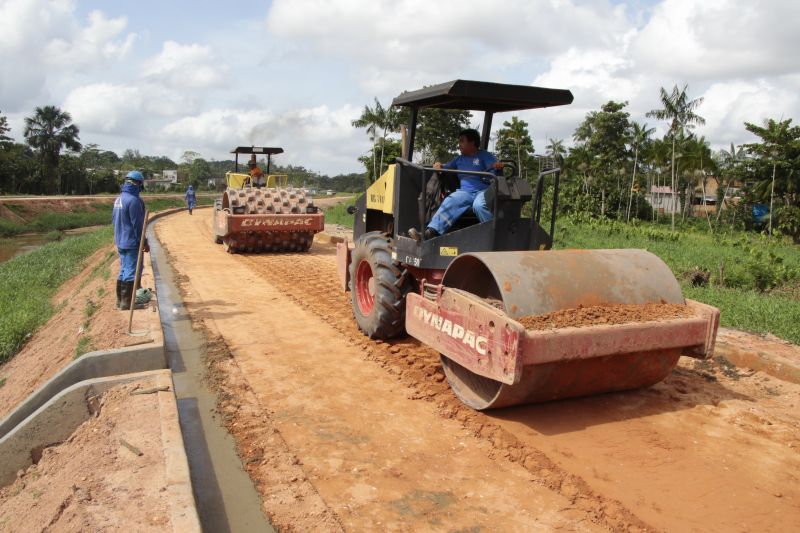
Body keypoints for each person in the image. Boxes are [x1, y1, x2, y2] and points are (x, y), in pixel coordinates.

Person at [410, 128, 503, 240]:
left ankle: (496, 235)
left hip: (482, 191)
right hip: (465, 193)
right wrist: (438, 165)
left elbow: (495, 169)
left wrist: (497, 167)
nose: (459, 144)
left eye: (462, 141)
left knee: (479, 205)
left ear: (472, 142)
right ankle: (430, 232)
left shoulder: (485, 156)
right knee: (450, 200)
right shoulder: (458, 159)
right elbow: (444, 168)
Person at [112, 170, 149, 310]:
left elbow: (114, 220)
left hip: (120, 240)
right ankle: (127, 303)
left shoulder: (119, 199)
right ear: (138, 184)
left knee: (123, 269)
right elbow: (138, 226)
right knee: (131, 271)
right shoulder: (134, 201)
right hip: (131, 242)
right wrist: (144, 242)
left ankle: (120, 301)